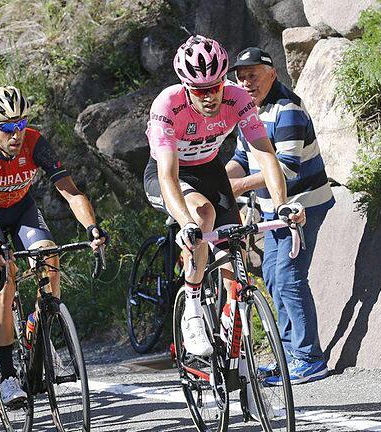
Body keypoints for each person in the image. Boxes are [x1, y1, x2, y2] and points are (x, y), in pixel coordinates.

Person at [144, 35, 305, 358]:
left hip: (210, 170)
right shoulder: (167, 104)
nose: (210, 96)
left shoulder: (236, 98)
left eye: (215, 86)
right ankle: (191, 305)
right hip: (171, 174)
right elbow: (167, 175)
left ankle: (236, 349)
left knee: (236, 259)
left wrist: (282, 205)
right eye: (201, 90)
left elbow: (266, 155)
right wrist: (187, 222)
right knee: (202, 216)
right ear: (186, 87)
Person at [0, 86, 108, 405]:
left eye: (22, 123)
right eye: (8, 127)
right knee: (4, 278)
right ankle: (5, 375)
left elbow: (70, 192)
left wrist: (92, 228)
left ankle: (37, 324)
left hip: (22, 209)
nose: (17, 133)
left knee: (50, 257)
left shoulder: (35, 142)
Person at [227, 47, 334, 384]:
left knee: (288, 277)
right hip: (274, 208)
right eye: (240, 77)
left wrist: (239, 186)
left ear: (272, 74)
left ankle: (309, 358)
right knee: (272, 276)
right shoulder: (248, 111)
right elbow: (241, 158)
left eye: (253, 75)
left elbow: (286, 169)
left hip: (302, 204)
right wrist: (220, 180)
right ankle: (289, 356)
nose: (246, 82)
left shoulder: (287, 110)